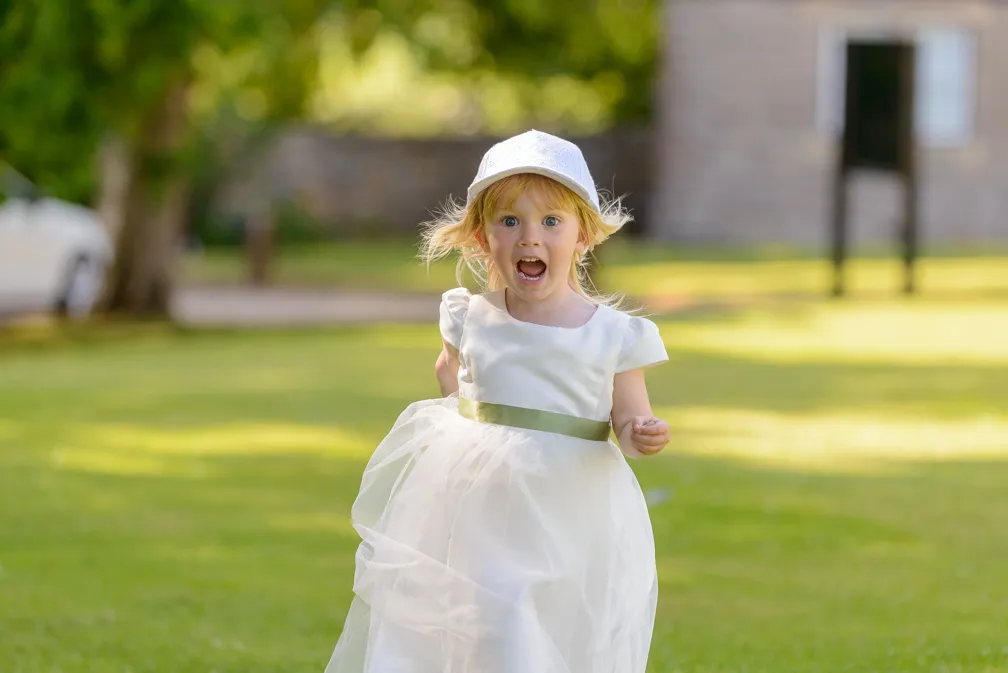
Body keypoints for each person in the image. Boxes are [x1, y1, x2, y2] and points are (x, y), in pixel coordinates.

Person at [323, 129, 670, 673]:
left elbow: (628, 417)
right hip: (480, 501)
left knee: (554, 620)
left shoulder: (615, 335)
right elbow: (451, 375)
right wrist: (474, 441)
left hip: (570, 504)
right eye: (510, 221)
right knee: (491, 617)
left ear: (583, 237)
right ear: (483, 239)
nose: (530, 238)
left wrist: (643, 431)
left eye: (551, 222)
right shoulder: (469, 315)